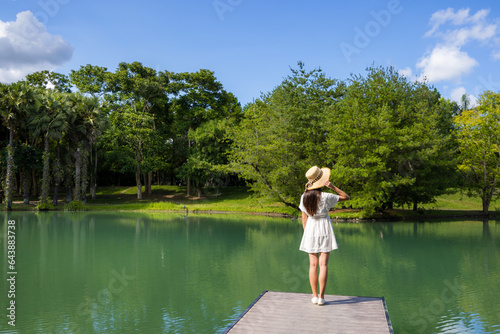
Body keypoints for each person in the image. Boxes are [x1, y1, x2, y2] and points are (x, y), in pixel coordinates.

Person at [299, 166, 350, 306]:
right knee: (323, 265)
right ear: (321, 182)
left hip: (310, 229)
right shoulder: (327, 196)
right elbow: (346, 197)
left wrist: (307, 233)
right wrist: (332, 186)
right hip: (324, 228)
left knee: (312, 265)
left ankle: (314, 296)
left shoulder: (304, 197)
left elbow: (304, 219)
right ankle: (321, 297)